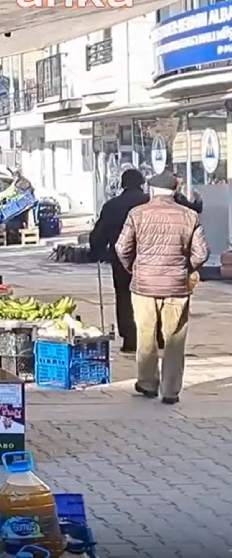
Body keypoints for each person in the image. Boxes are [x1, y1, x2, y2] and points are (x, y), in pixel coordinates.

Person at [115, 172, 209, 405]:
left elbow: (121, 247)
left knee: (145, 335)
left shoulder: (137, 214)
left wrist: (134, 268)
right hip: (176, 287)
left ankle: (147, 383)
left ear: (152, 191)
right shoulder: (189, 215)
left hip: (144, 286)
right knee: (175, 338)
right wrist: (185, 269)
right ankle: (171, 391)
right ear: (175, 191)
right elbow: (202, 253)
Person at [88, 168, 149, 353]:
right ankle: (155, 336)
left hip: (122, 260)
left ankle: (130, 339)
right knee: (151, 296)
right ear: (141, 182)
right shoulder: (150, 203)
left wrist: (96, 251)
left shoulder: (112, 205)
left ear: (122, 184)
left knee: (124, 297)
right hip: (149, 259)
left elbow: (99, 233)